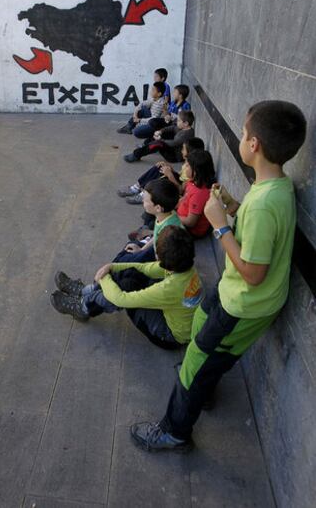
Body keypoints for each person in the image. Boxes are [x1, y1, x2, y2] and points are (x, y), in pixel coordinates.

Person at [129, 100, 307, 452]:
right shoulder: (274, 186)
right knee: (201, 323)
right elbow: (257, 231)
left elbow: (254, 273)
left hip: (245, 302)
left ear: (254, 145)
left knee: (196, 364)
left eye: (242, 133)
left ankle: (174, 431)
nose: (240, 138)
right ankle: (203, 378)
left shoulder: (265, 203)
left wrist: (219, 226)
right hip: (230, 292)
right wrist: (230, 206)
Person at [51, 225, 204, 350]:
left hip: (169, 337)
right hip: (176, 314)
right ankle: (86, 293)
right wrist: (113, 267)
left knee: (126, 288)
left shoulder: (169, 289)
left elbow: (121, 299)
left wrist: (104, 279)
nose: (154, 251)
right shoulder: (186, 266)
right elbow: (145, 268)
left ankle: (83, 307)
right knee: (132, 276)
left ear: (165, 261)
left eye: (156, 250)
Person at [111, 177, 183, 265]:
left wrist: (141, 254)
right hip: (157, 249)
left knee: (126, 260)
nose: (142, 201)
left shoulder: (169, 230)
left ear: (158, 208)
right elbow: (157, 237)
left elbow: (163, 261)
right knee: (128, 249)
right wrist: (141, 250)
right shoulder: (166, 215)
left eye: (145, 200)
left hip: (161, 261)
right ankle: (144, 239)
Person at [118, 137, 205, 207]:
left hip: (177, 188)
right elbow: (180, 175)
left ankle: (144, 195)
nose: (181, 151)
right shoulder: (187, 162)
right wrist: (169, 168)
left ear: (189, 153)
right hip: (177, 180)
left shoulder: (192, 170)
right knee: (160, 167)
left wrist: (170, 175)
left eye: (183, 149)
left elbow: (181, 191)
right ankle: (136, 187)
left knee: (164, 176)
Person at [124, 110, 195, 163]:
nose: (177, 122)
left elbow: (173, 143)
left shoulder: (185, 135)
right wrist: (161, 131)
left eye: (179, 121)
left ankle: (136, 155)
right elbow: (173, 127)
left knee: (157, 144)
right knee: (162, 133)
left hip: (175, 156)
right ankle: (147, 145)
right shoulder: (183, 128)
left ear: (186, 123)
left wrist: (160, 139)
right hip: (173, 146)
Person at [176, 149, 216, 238]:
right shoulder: (192, 182)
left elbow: (190, 222)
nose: (184, 167)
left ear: (196, 171)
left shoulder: (199, 193)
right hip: (181, 218)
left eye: (187, 166)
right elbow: (184, 199)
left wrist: (174, 217)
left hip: (191, 231)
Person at [117, 68, 169, 134]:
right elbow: (142, 104)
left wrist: (139, 120)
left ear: (162, 78)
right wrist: (135, 114)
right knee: (142, 109)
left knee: (137, 132)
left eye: (156, 77)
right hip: (152, 114)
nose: (154, 78)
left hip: (155, 121)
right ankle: (129, 127)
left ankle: (131, 126)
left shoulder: (161, 100)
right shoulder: (155, 96)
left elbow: (154, 119)